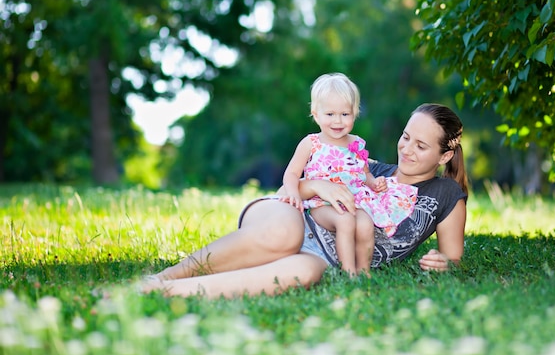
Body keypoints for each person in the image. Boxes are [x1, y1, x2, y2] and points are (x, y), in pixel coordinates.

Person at [139, 102, 468, 299]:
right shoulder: (366, 168)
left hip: (325, 257)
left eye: (421, 146)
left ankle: (160, 292)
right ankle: (168, 275)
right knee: (285, 235)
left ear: (445, 154)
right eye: (406, 137)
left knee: (303, 273)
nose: (407, 150)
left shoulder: (446, 195)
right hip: (290, 216)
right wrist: (316, 185)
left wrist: (444, 263)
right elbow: (290, 188)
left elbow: (453, 257)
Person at [281, 73, 418, 276]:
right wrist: (293, 192)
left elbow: (363, 173)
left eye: (345, 114)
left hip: (355, 201)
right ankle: (349, 272)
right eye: (330, 114)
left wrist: (373, 183)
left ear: (354, 114)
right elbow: (292, 173)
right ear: (316, 114)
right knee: (345, 220)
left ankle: (364, 271)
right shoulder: (311, 143)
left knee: (364, 224)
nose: (338, 121)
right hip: (322, 203)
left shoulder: (356, 143)